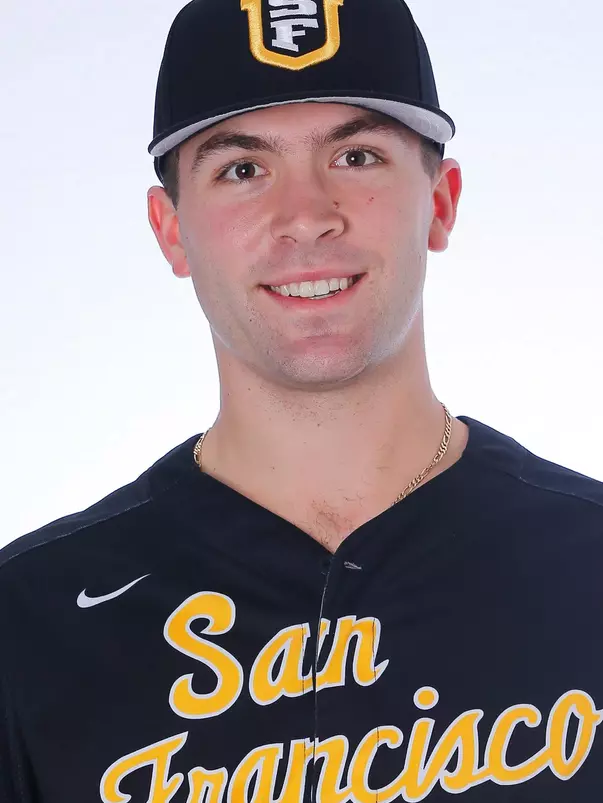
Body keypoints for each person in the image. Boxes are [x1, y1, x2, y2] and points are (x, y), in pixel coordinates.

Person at [1, 0, 602, 800]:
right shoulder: (30, 623)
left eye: (355, 156)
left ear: (442, 200)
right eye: (241, 169)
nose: (306, 217)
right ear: (171, 230)